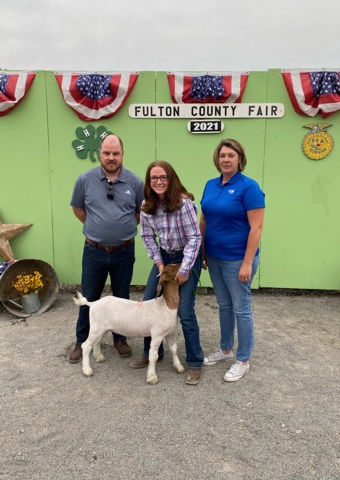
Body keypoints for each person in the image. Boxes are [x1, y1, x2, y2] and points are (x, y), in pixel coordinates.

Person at [69, 134, 144, 363]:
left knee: (122, 298)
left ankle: (119, 340)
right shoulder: (85, 179)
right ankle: (82, 342)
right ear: (100, 153)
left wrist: (120, 229)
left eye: (116, 153)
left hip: (124, 251)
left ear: (122, 154)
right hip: (94, 251)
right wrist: (96, 228)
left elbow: (140, 213)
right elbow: (78, 208)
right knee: (89, 297)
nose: (111, 157)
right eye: (107, 153)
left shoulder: (135, 182)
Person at [129, 160, 204, 385]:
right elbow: (147, 237)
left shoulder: (184, 205)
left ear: (170, 179)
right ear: (149, 182)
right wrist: (159, 262)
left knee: (184, 310)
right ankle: (152, 352)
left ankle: (194, 363)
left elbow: (195, 239)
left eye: (163, 177)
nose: (159, 182)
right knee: (149, 302)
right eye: (154, 178)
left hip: (187, 257)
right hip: (165, 257)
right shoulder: (147, 206)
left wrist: (185, 268)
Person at [200, 138, 265, 382]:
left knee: (241, 308)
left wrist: (247, 262)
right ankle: (226, 349)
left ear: (240, 159)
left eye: (231, 155)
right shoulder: (210, 185)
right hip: (214, 257)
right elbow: (204, 220)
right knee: (224, 305)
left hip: (238, 259)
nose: (226, 159)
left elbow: (256, 228)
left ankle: (243, 359)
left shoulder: (249, 188)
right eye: (222, 155)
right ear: (217, 159)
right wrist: (203, 250)